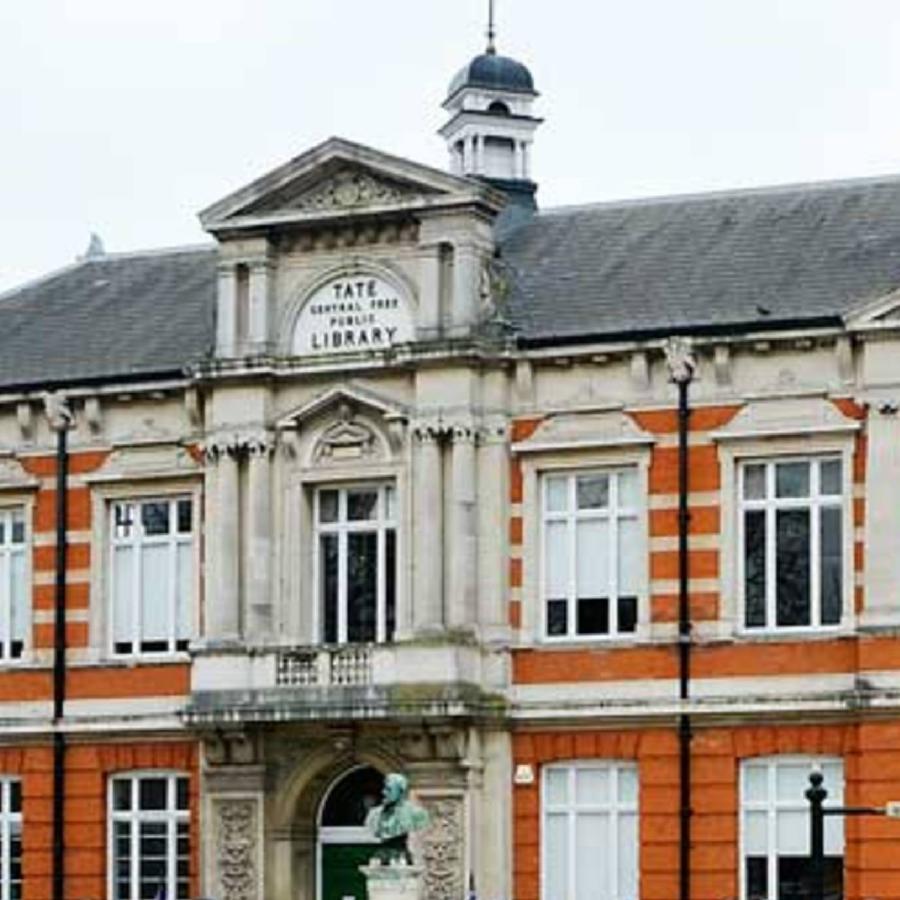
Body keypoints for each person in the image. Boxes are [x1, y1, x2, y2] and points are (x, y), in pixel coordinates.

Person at [365, 772, 429, 863]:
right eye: (384, 788)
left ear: (401, 791)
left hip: (401, 854)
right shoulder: (374, 814)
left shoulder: (416, 813)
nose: (383, 792)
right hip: (382, 854)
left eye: (389, 789)